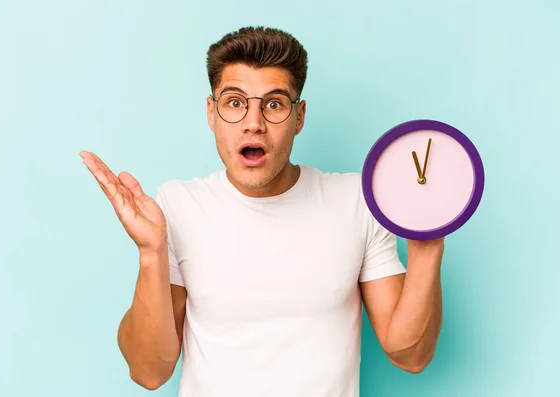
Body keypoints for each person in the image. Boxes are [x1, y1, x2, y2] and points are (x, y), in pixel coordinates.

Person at [80, 26, 445, 397]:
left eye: (273, 104)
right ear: (212, 113)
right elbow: (148, 371)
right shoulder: (178, 205)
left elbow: (411, 356)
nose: (253, 123)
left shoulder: (356, 201)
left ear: (299, 117)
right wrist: (150, 253)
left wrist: (428, 245)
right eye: (235, 102)